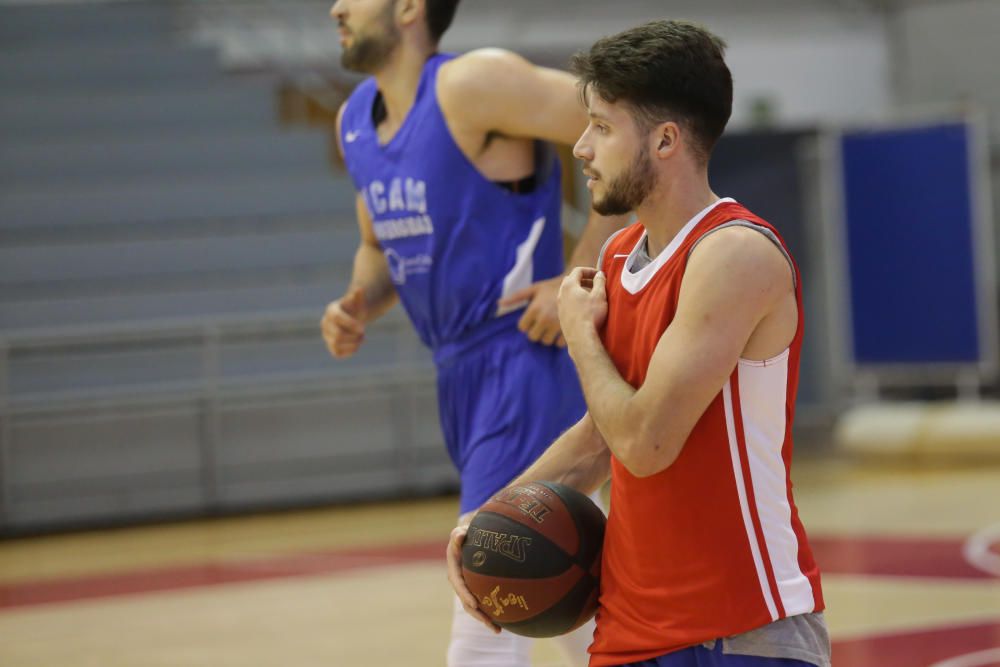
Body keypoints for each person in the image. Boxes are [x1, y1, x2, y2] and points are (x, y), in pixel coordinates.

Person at [447, 20, 832, 667]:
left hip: (743, 627)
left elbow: (646, 441)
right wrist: (483, 523)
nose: (580, 147)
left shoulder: (734, 253)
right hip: (628, 628)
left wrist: (578, 335)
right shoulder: (622, 254)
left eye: (601, 126)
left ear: (665, 140)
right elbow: (601, 434)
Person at [319, 1, 625, 665]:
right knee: (564, 591)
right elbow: (378, 245)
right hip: (457, 371)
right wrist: (357, 303)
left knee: (487, 592)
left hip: (522, 356)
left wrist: (579, 270)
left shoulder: (472, 85)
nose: (336, 5)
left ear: (408, 7)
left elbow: (624, 124)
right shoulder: (353, 121)